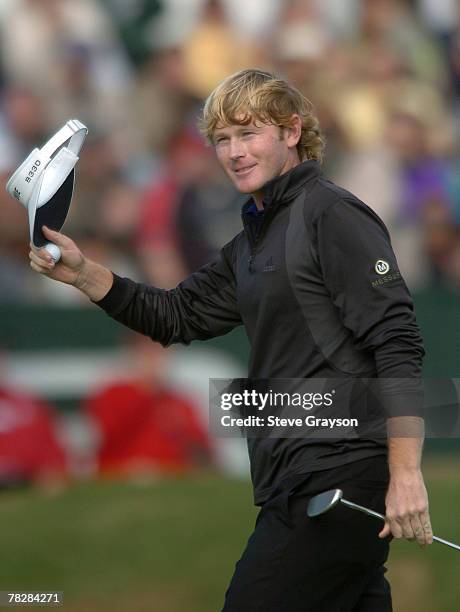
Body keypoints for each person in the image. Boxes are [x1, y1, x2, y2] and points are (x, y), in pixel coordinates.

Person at [29, 68, 432, 611]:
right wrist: (84, 274)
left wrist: (406, 474)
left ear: (292, 133)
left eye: (249, 133)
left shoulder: (332, 214)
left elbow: (398, 341)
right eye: (222, 139)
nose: (234, 151)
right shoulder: (248, 244)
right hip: (293, 478)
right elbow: (175, 315)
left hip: (338, 477)